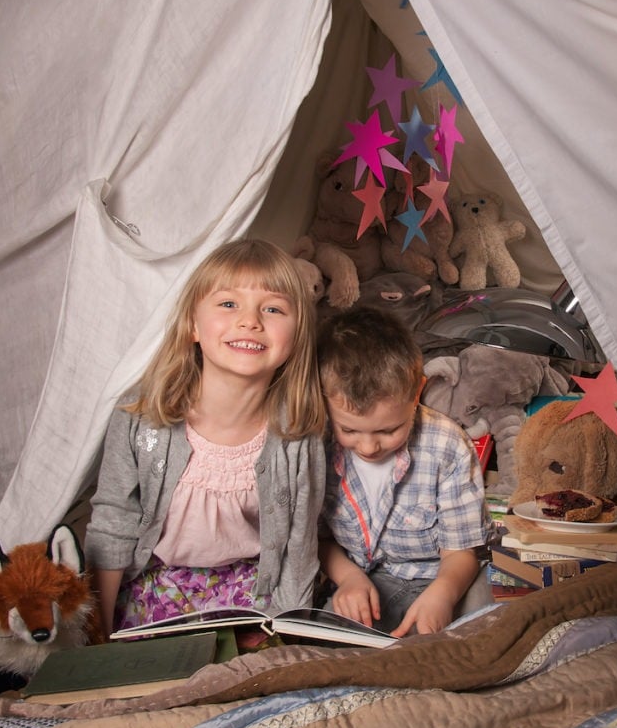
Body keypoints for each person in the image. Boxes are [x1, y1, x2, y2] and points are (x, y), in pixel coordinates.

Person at [85, 238, 327, 639]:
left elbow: (298, 550)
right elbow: (113, 525)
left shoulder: (299, 435)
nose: (250, 321)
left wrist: (281, 634)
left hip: (251, 601)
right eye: (228, 304)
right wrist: (97, 636)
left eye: (273, 308)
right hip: (152, 594)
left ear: (298, 334)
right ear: (193, 326)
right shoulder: (140, 418)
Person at [316, 307, 493, 637]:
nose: (369, 447)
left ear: (416, 393)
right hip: (362, 578)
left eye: (388, 430)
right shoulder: (319, 443)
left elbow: (462, 552)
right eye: (350, 431)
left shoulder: (447, 445)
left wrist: (443, 594)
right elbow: (318, 539)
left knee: (479, 636)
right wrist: (349, 578)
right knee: (327, 644)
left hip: (445, 575)